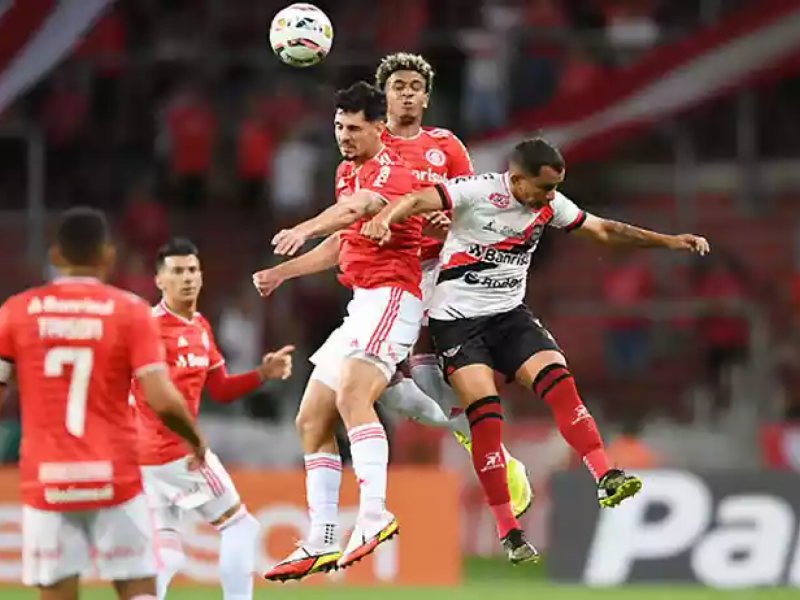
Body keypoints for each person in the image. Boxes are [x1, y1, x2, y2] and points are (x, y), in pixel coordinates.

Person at [362, 138, 710, 562]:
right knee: (487, 422)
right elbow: (418, 199)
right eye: (543, 189)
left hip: (510, 318)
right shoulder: (477, 191)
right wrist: (384, 217)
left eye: (554, 189)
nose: (549, 199)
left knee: (560, 384)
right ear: (516, 179)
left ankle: (605, 475)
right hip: (458, 326)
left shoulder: (548, 203)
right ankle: (509, 531)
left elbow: (602, 229)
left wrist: (669, 241)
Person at [254, 82, 422, 578]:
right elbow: (343, 241)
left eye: (353, 128)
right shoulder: (345, 170)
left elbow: (357, 210)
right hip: (361, 304)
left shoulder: (391, 169)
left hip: (394, 296)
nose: (344, 137)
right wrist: (283, 271)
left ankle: (374, 514)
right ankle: (321, 537)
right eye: (338, 127)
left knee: (353, 394)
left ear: (378, 127)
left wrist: (304, 227)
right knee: (310, 419)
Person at [0, 207, 206, 600]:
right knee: (139, 589)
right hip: (116, 479)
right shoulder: (130, 312)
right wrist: (195, 439)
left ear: (56, 255)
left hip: (47, 481)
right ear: (108, 256)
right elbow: (160, 397)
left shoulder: (17, 312)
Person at [373, 52, 532, 516]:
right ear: (385, 93)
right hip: (382, 274)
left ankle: (480, 441)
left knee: (420, 372)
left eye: (414, 86)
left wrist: (452, 218)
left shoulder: (447, 146)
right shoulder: (366, 141)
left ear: (425, 96)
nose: (406, 92)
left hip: (434, 270)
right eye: (398, 84)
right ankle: (470, 433)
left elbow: (474, 206)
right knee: (392, 385)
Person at [131, 238, 293, 600]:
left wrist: (261, 375)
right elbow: (154, 397)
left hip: (149, 459)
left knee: (167, 552)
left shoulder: (200, 326)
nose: (186, 278)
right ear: (159, 280)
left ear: (201, 276)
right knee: (241, 526)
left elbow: (218, 389)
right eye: (176, 271)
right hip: (174, 451)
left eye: (192, 270)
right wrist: (191, 438)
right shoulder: (149, 329)